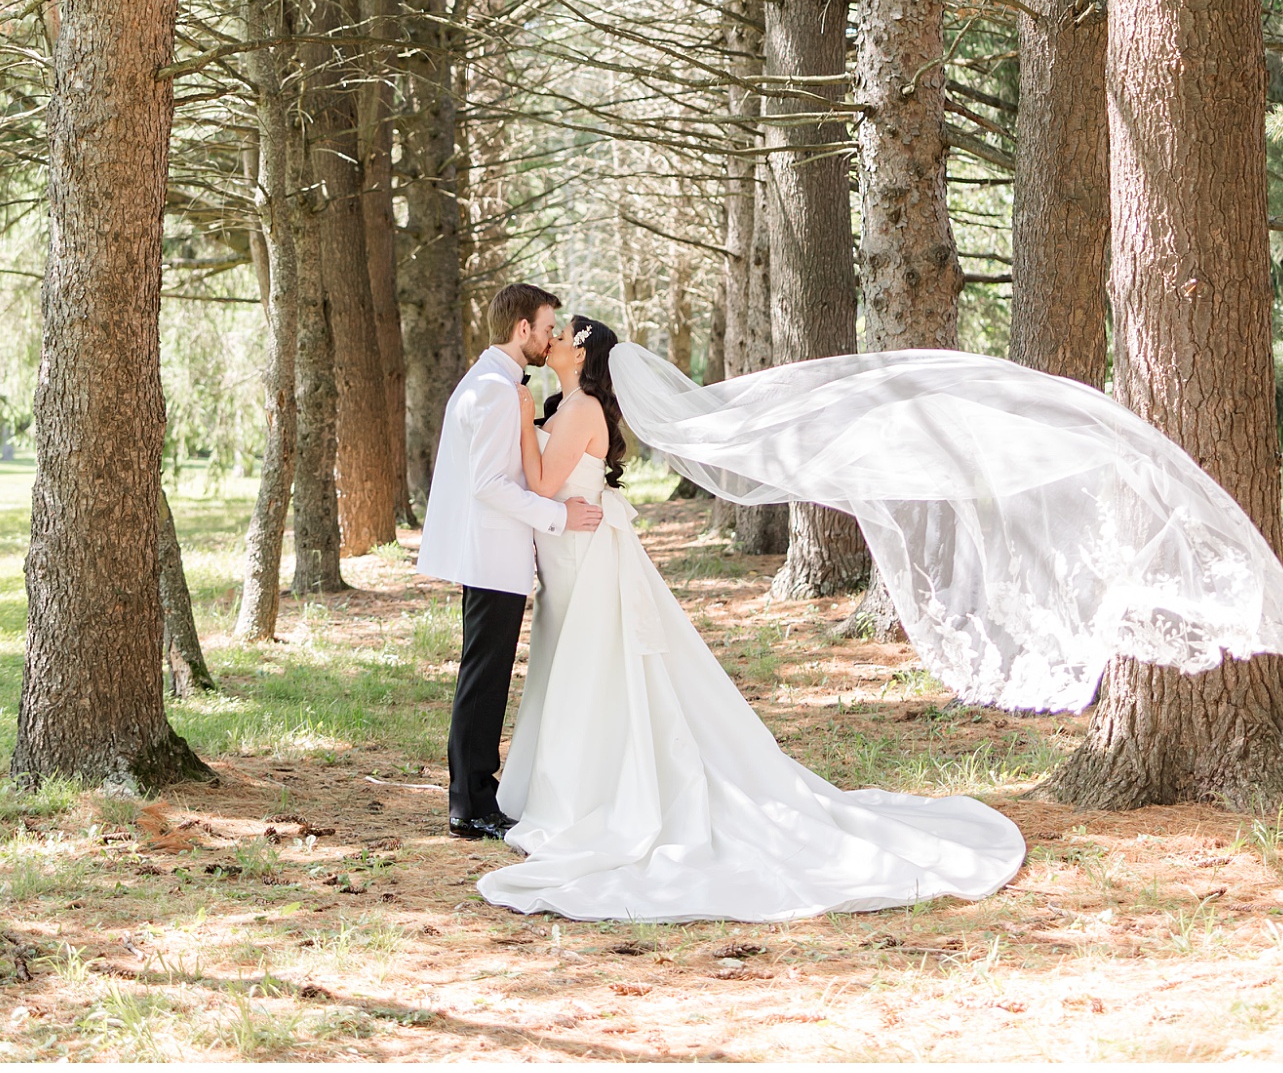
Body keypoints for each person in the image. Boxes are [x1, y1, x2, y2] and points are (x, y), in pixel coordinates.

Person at [477, 316, 1027, 922]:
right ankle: (569, 782)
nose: (549, 340)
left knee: (595, 663)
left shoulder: (578, 408)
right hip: (568, 551)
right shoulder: (568, 402)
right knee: (573, 660)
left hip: (585, 554)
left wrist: (519, 413)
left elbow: (541, 480)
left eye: (562, 334)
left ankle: (598, 788)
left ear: (580, 355)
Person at [416, 283, 602, 840]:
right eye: (547, 328)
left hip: (490, 553)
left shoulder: (490, 383)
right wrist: (558, 517)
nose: (550, 339)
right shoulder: (496, 390)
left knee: (486, 675)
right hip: (494, 552)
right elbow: (490, 485)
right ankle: (471, 804)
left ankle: (473, 796)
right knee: (484, 677)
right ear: (523, 329)